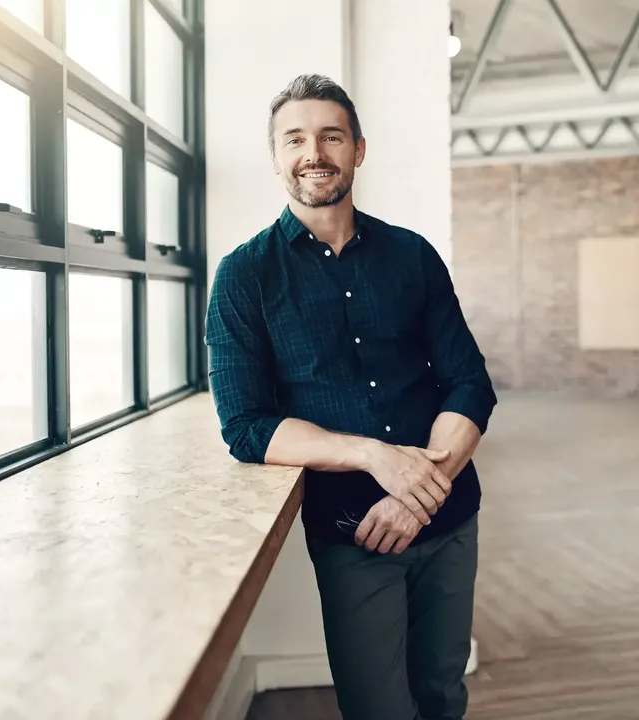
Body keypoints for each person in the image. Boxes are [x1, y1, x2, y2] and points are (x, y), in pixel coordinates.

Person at [205, 74, 496, 720]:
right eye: (297, 138)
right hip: (352, 533)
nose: (316, 152)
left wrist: (421, 486)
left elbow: (469, 382)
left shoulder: (413, 257)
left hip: (450, 520)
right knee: (378, 710)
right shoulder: (243, 277)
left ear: (358, 150)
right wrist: (375, 457)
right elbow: (247, 426)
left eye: (332, 136)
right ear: (276, 156)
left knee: (444, 694)